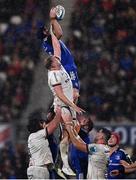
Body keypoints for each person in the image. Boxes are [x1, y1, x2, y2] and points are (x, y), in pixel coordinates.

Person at [44, 28, 85, 176]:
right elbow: (60, 94)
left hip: (69, 105)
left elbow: (56, 47)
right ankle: (63, 165)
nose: (58, 58)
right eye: (55, 59)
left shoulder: (57, 66)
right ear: (52, 65)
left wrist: (53, 34)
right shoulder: (54, 75)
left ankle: (62, 164)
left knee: (71, 133)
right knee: (68, 134)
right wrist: (73, 105)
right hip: (63, 106)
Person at [37, 7, 80, 103]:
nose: (47, 30)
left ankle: (67, 112)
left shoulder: (46, 43)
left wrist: (54, 22)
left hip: (64, 68)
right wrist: (53, 19)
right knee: (75, 92)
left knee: (71, 94)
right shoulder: (48, 40)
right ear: (43, 33)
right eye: (45, 30)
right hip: (67, 67)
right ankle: (70, 115)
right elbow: (59, 33)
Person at [27, 107, 61, 179]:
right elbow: (54, 125)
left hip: (34, 169)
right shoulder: (39, 134)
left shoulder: (32, 136)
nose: (44, 123)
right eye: (42, 122)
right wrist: (59, 112)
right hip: (39, 169)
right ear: (38, 125)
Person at [69, 113, 93, 179]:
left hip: (81, 162)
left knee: (81, 176)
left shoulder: (83, 134)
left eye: (84, 121)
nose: (80, 121)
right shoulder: (81, 133)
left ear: (86, 127)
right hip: (77, 162)